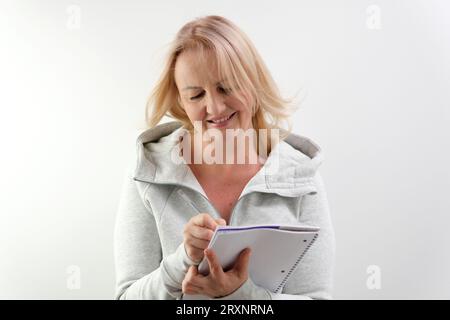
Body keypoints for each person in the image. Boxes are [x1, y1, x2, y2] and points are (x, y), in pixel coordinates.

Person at [114, 15, 335, 300]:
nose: (215, 107)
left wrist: (241, 295)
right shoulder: (148, 172)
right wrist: (183, 260)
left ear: (252, 83)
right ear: (181, 101)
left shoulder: (300, 177)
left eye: (226, 87)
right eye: (196, 96)